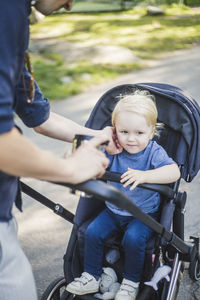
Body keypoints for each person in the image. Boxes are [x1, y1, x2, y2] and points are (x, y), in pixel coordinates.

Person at [0, 1, 121, 300]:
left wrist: (98, 135)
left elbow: (38, 117)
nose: (68, 6)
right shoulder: (7, 10)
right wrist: (70, 169)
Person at [66, 90, 181, 300]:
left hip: (143, 214)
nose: (131, 139)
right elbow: (90, 158)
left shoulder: (154, 152)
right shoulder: (113, 150)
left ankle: (131, 282)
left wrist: (146, 176)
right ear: (114, 130)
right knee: (92, 232)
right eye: (124, 131)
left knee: (134, 238)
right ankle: (91, 276)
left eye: (139, 133)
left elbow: (174, 172)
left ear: (151, 131)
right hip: (113, 210)